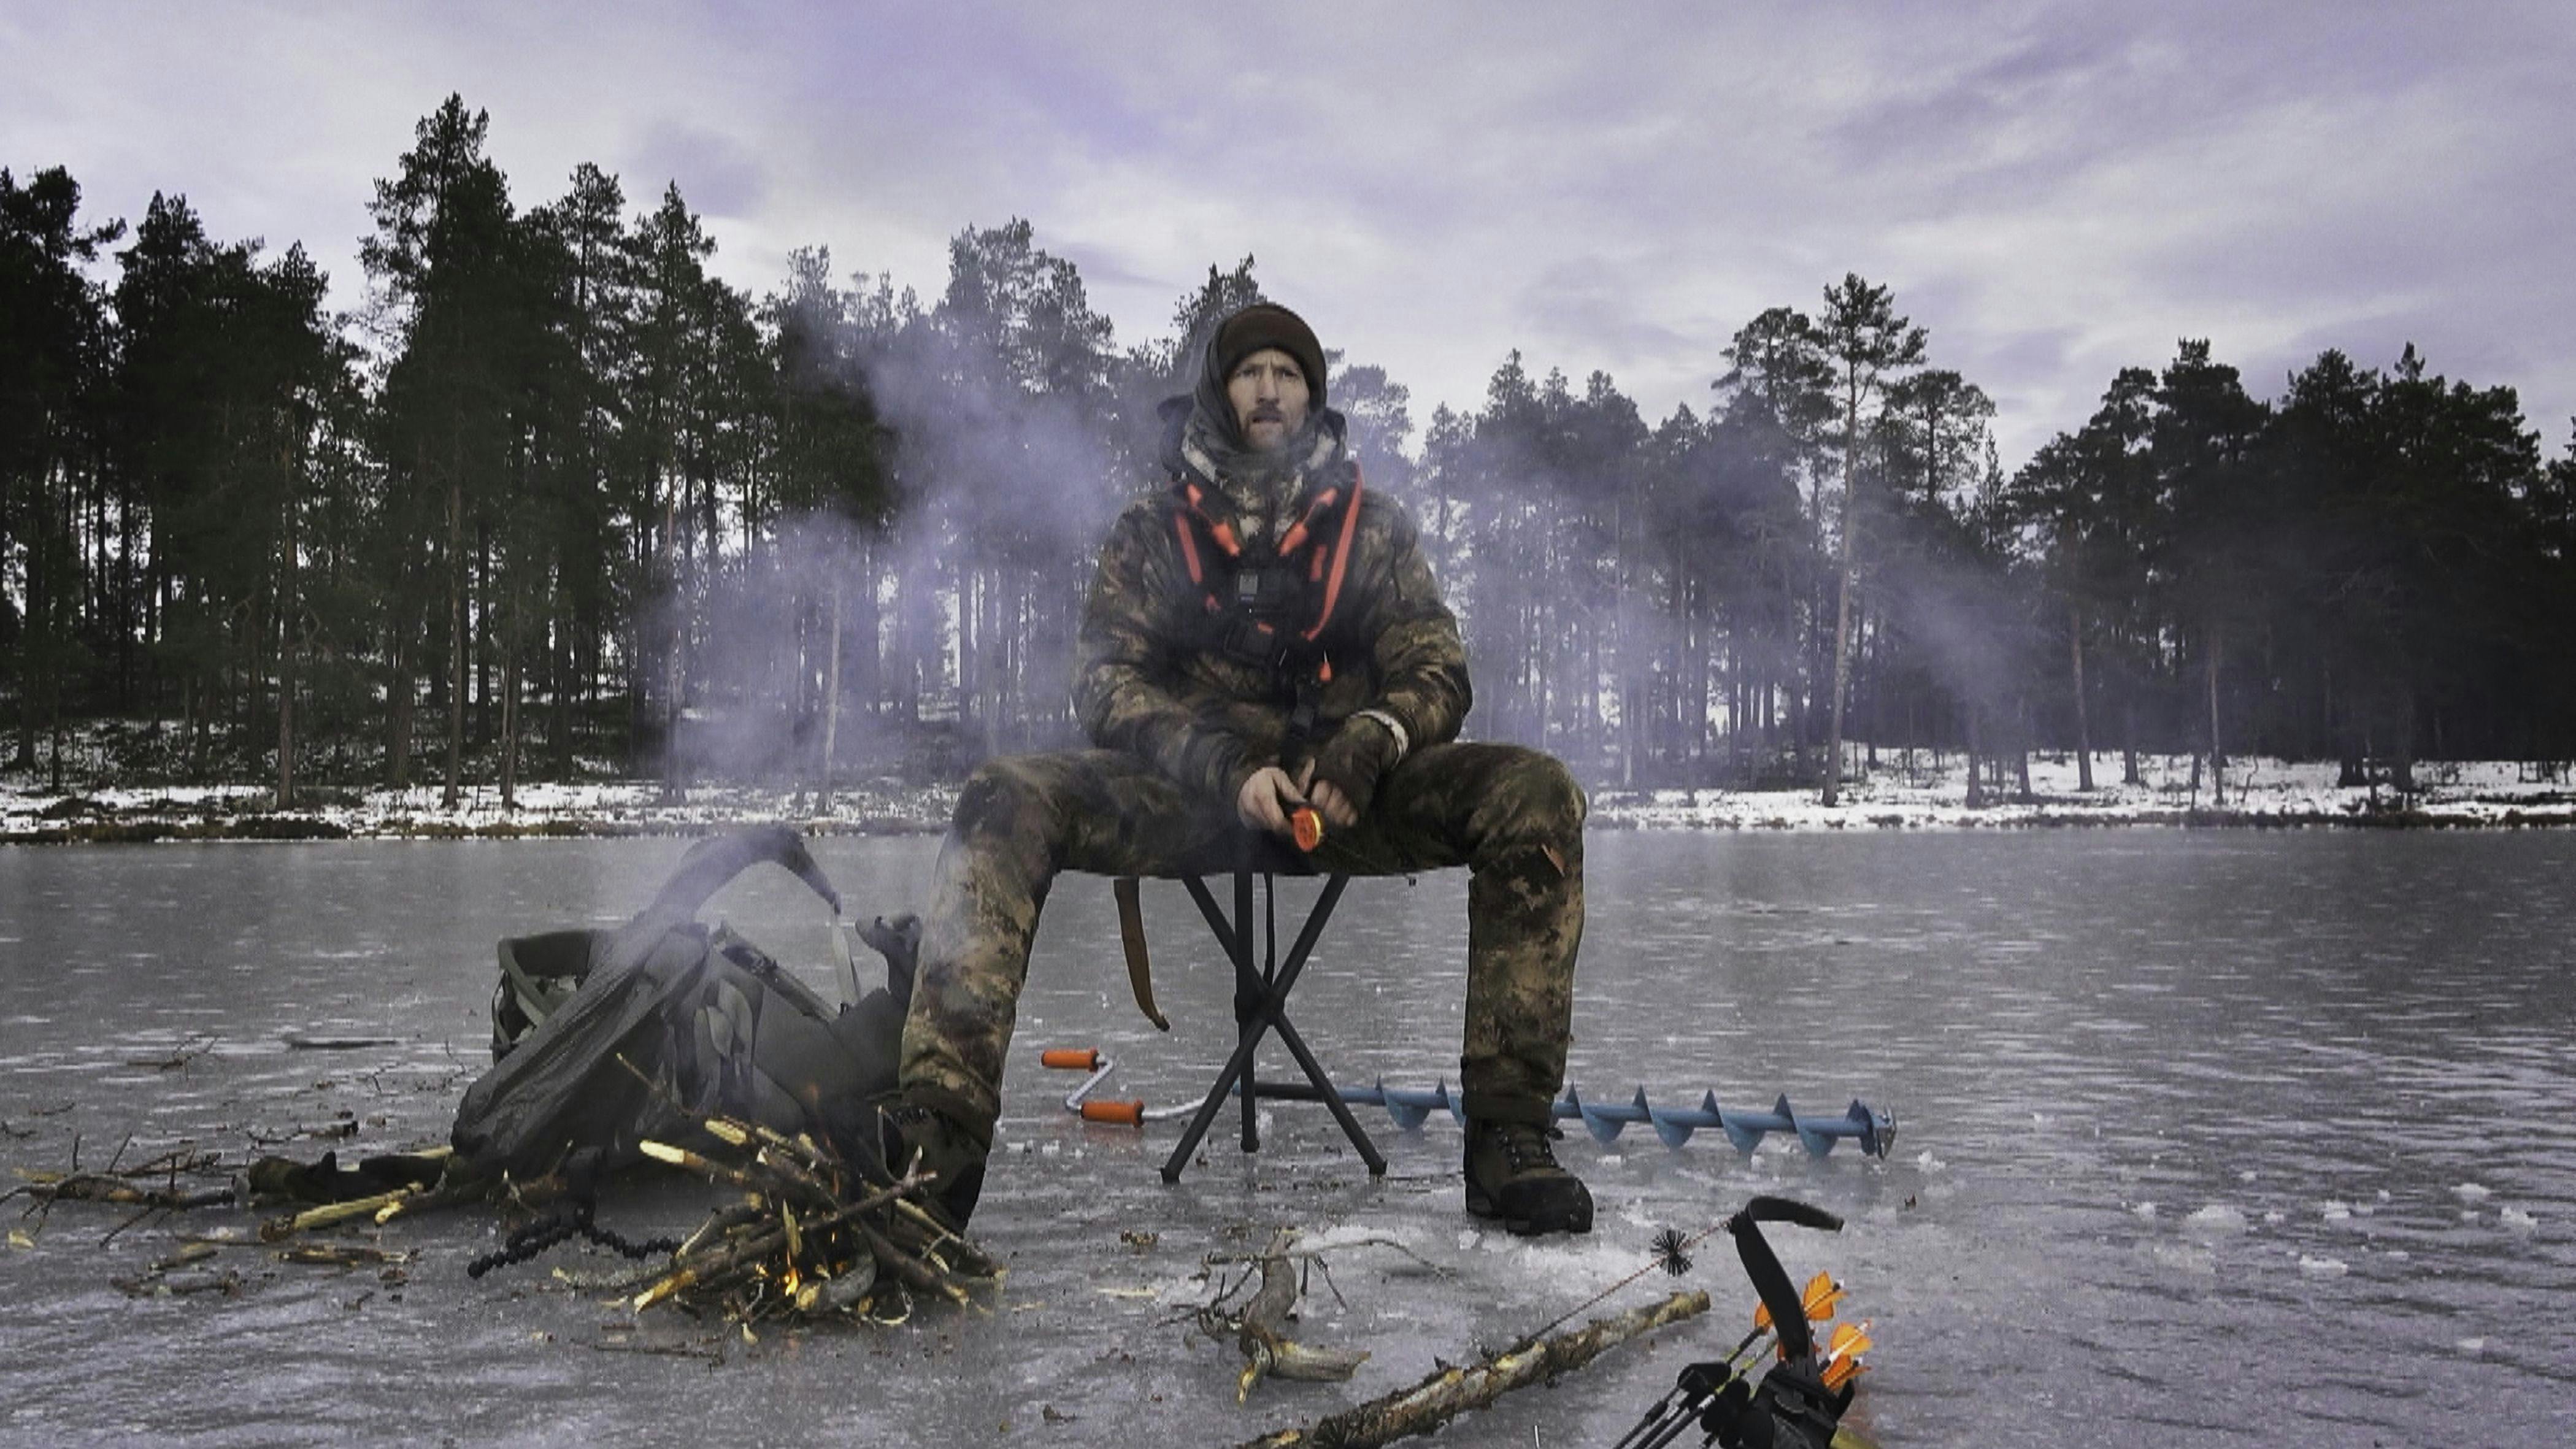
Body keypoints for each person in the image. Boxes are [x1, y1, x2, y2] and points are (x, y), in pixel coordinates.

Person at [885, 302, 1593, 1236]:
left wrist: (1372, 741)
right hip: (1192, 796)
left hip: (1351, 796)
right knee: (1000, 797)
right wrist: (1222, 765)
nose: (1269, 388)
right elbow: (1105, 683)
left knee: (1536, 796)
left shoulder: (1373, 527)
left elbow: (1437, 666)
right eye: (1250, 371)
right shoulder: (1152, 529)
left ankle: (1509, 1138)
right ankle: (938, 1141)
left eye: (1288, 373)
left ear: (1313, 394)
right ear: (1220, 391)